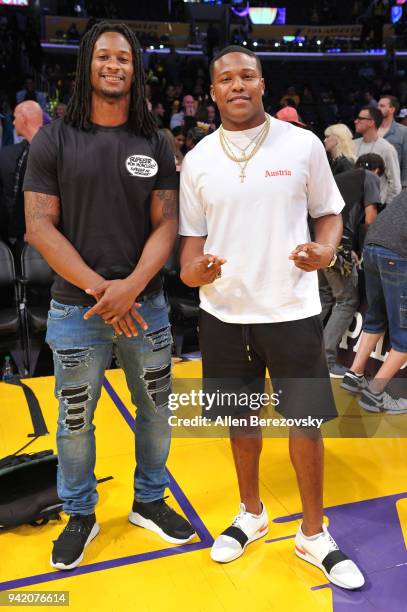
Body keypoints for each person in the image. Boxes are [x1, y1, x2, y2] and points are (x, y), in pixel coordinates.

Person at [179, 45, 364, 590]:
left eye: (247, 76)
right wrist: (193, 274)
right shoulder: (198, 159)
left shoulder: (301, 144)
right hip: (224, 312)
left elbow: (329, 213)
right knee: (241, 422)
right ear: (212, 92)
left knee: (304, 424)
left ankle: (312, 533)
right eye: (225, 79)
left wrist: (326, 251)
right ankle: (252, 512)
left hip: (290, 308)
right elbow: (191, 244)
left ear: (262, 83)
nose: (237, 85)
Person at [23, 21, 195, 572]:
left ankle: (149, 501)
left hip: (145, 306)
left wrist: (131, 290)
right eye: (103, 56)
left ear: (136, 69)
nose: (114, 65)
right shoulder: (54, 138)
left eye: (123, 57)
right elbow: (39, 228)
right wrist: (106, 292)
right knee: (75, 419)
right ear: (86, 65)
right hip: (79, 307)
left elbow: (166, 224)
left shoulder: (154, 141)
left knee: (156, 411)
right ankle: (80, 513)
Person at [341, 189, 407, 414]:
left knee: (376, 316)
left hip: (372, 246)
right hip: (398, 253)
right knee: (405, 335)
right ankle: (375, 394)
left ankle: (354, 374)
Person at [319, 155, 381, 377]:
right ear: (377, 170)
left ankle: (304, 352)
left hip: (317, 241)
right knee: (347, 300)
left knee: (324, 298)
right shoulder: (371, 177)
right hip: (338, 246)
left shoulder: (340, 178)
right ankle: (325, 360)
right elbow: (370, 219)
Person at [0, 101, 43, 248]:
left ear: (23, 119)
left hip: (37, 236)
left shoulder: (45, 151)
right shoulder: (27, 150)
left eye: (15, 117)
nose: (12, 122)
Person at [354, 106, 401, 205]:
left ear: (371, 122)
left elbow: (395, 184)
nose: (355, 121)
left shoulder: (387, 148)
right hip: (354, 206)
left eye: (360, 118)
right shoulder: (352, 144)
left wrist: (384, 209)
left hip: (376, 206)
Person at [377, 95, 407, 189]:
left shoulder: (403, 131)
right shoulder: (370, 128)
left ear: (392, 109)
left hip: (392, 184)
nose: (377, 109)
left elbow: (406, 160)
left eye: (382, 106)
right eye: (378, 106)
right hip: (370, 183)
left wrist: (404, 185)